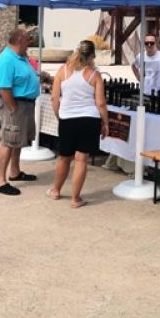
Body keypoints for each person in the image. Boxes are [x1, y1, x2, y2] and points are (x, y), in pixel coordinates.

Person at [48, 40, 109, 208]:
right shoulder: (94, 74)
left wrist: (58, 115)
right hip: (89, 119)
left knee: (64, 157)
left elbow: (54, 98)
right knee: (81, 159)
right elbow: (101, 103)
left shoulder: (62, 70)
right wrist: (105, 123)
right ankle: (75, 199)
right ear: (92, 56)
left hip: (67, 118)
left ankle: (55, 190)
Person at [0, 27, 40, 196]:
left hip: (24, 104)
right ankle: (0, 181)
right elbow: (4, 88)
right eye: (28, 39)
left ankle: (15, 171)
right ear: (20, 40)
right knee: (9, 140)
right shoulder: (7, 60)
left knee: (17, 140)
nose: (30, 41)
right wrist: (13, 108)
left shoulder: (20, 57)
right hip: (15, 105)